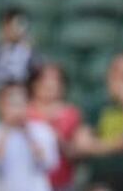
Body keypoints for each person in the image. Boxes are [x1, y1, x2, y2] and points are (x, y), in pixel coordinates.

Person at [74, 54, 123, 191]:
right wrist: (113, 145)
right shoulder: (96, 103)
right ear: (110, 77)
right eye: (120, 76)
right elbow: (82, 143)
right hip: (103, 175)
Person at [0, 82, 58, 191]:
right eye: (12, 103)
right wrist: (6, 129)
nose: (18, 108)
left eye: (21, 102)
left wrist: (28, 134)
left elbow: (49, 163)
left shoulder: (42, 130)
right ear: (0, 104)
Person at [26, 63, 84, 191]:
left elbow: (77, 155)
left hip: (62, 184)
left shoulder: (71, 114)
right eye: (44, 79)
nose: (49, 84)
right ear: (34, 84)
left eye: (55, 79)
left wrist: (59, 140)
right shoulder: (23, 113)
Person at [0, 7, 42, 90]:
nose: (20, 30)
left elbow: (37, 71)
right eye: (16, 25)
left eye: (23, 25)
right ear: (5, 25)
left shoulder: (28, 48)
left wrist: (31, 52)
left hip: (21, 91)